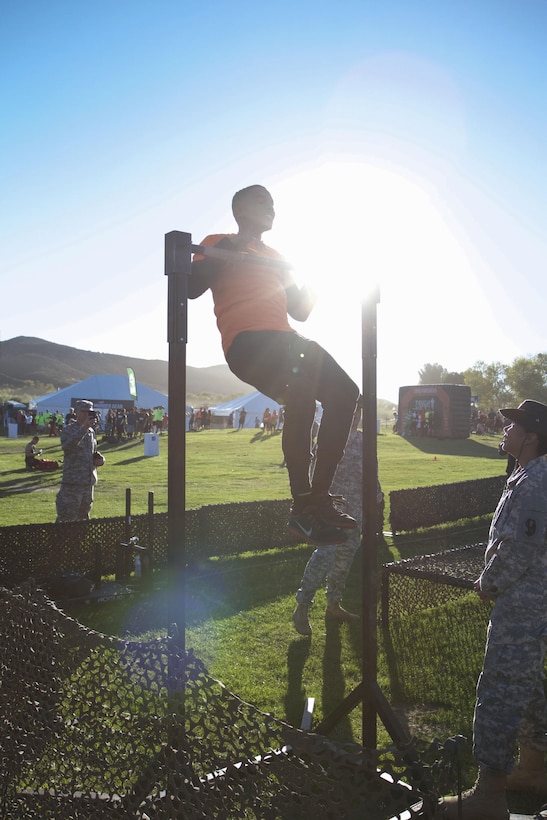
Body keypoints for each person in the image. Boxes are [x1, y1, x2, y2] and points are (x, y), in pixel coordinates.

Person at [189, 184, 360, 546]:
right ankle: (303, 506)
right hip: (248, 344)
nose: (270, 208)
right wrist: (228, 253)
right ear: (239, 210)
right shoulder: (218, 241)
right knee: (300, 395)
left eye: (273, 204)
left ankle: (315, 502)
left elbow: (299, 310)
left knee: (345, 393)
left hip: (286, 339)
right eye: (261, 202)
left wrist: (323, 275)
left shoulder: (276, 257)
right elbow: (191, 287)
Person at [440, 399, 547, 820]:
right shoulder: (528, 474)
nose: (505, 430)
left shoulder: (537, 482)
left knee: (500, 689)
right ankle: (534, 770)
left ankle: (488, 796)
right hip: (533, 604)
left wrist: (489, 582)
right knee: (530, 687)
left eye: (514, 425)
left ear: (532, 437)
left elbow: (518, 550)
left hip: (525, 604)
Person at [292, 402, 384, 635]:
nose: (354, 416)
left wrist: (376, 497)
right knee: (324, 555)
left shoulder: (364, 441)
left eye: (358, 412)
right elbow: (313, 473)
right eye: (351, 411)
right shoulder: (329, 439)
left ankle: (333, 604)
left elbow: (372, 471)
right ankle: (302, 605)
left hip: (355, 513)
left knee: (345, 559)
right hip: (329, 511)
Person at [55, 400, 105, 522]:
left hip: (88, 482)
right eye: (84, 411)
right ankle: (60, 540)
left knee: (83, 517)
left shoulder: (91, 432)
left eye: (90, 412)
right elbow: (68, 447)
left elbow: (90, 453)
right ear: (76, 412)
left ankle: (80, 540)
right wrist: (84, 428)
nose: (87, 414)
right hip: (73, 481)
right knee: (67, 516)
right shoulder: (69, 429)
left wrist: (99, 459)